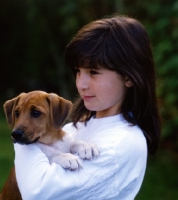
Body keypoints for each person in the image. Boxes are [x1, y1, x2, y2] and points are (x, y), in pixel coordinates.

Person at [14, 15, 161, 200]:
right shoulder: (79, 126)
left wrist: (21, 137)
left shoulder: (120, 144)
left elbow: (38, 192)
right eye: (78, 71)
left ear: (129, 77)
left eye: (93, 72)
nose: (81, 84)